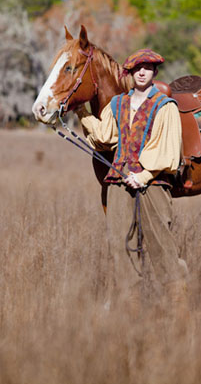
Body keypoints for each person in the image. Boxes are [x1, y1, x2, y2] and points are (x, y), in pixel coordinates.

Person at [76, 48, 188, 317]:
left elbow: (168, 150)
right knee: (119, 243)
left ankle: (178, 311)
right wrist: (80, 110)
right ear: (130, 72)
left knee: (161, 243)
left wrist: (145, 176)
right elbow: (104, 136)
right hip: (118, 181)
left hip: (153, 184)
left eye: (148, 68)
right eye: (137, 68)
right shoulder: (118, 104)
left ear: (154, 72)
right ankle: (131, 310)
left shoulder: (165, 107)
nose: (142, 72)